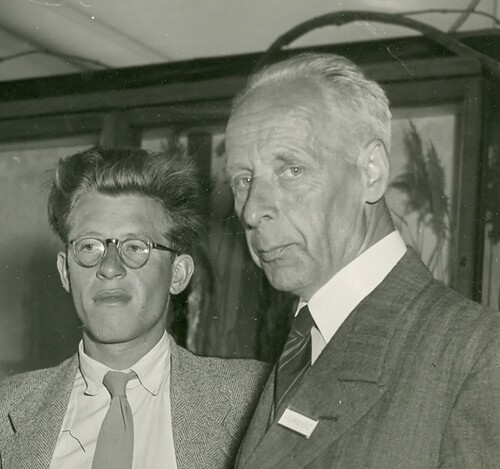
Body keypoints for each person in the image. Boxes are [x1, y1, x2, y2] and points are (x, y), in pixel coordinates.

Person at [224, 52, 500, 468]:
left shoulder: (477, 355)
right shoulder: (305, 338)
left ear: (371, 171)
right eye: (243, 180)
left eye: (292, 170)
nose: (251, 209)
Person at [0, 147, 268, 469]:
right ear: (65, 271)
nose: (110, 267)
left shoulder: (255, 397)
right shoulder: (8, 408)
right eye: (89, 246)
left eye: (135, 247)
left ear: (178, 273)